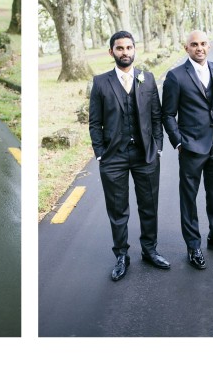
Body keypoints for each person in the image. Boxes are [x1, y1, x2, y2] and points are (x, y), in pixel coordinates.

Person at [160, 30, 213, 270]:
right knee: (189, 198)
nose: (200, 48)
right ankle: (193, 246)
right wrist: (178, 141)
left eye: (204, 44)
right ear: (186, 48)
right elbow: (167, 114)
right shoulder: (175, 76)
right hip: (191, 146)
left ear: (209, 46)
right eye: (194, 44)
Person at [88, 31, 168, 281]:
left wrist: (158, 147)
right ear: (111, 52)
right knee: (118, 209)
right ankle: (121, 255)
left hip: (145, 154)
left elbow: (157, 115)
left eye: (129, 47)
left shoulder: (148, 78)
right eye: (120, 48)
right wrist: (100, 153)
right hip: (114, 157)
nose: (125, 52)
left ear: (135, 50)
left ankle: (150, 250)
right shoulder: (101, 82)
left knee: (149, 205)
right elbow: (95, 122)